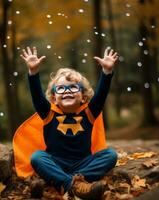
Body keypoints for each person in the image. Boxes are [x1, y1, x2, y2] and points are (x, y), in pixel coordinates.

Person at [20, 46, 119, 200]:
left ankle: (59, 182)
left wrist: (106, 73)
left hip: (83, 164)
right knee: (37, 157)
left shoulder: (89, 113)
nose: (67, 91)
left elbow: (101, 94)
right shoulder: (48, 114)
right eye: (60, 88)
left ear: (84, 97)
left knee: (110, 155)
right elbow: (37, 97)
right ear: (53, 98)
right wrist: (33, 73)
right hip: (56, 162)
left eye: (73, 87)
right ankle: (76, 185)